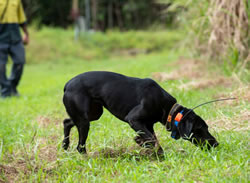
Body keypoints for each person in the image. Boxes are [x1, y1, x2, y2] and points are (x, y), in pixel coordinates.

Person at [0, 0, 29, 98]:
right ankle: (5, 91)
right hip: (1, 37)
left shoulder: (16, 1)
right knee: (1, 66)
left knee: (20, 61)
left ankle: (12, 87)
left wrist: (26, 34)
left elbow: (22, 19)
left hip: (15, 37)